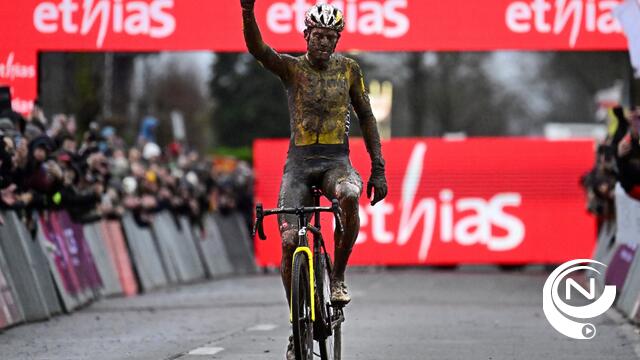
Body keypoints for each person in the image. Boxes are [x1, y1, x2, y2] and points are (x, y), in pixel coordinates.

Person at [241, 1, 388, 358]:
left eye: (331, 38)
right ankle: (298, 327)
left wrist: (378, 168)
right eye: (318, 36)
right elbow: (258, 49)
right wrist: (248, 12)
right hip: (299, 165)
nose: (324, 43)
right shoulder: (292, 69)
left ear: (338, 41)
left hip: (336, 162)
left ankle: (336, 277)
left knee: (350, 196)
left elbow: (367, 118)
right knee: (290, 240)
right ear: (306, 35)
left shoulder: (349, 70)